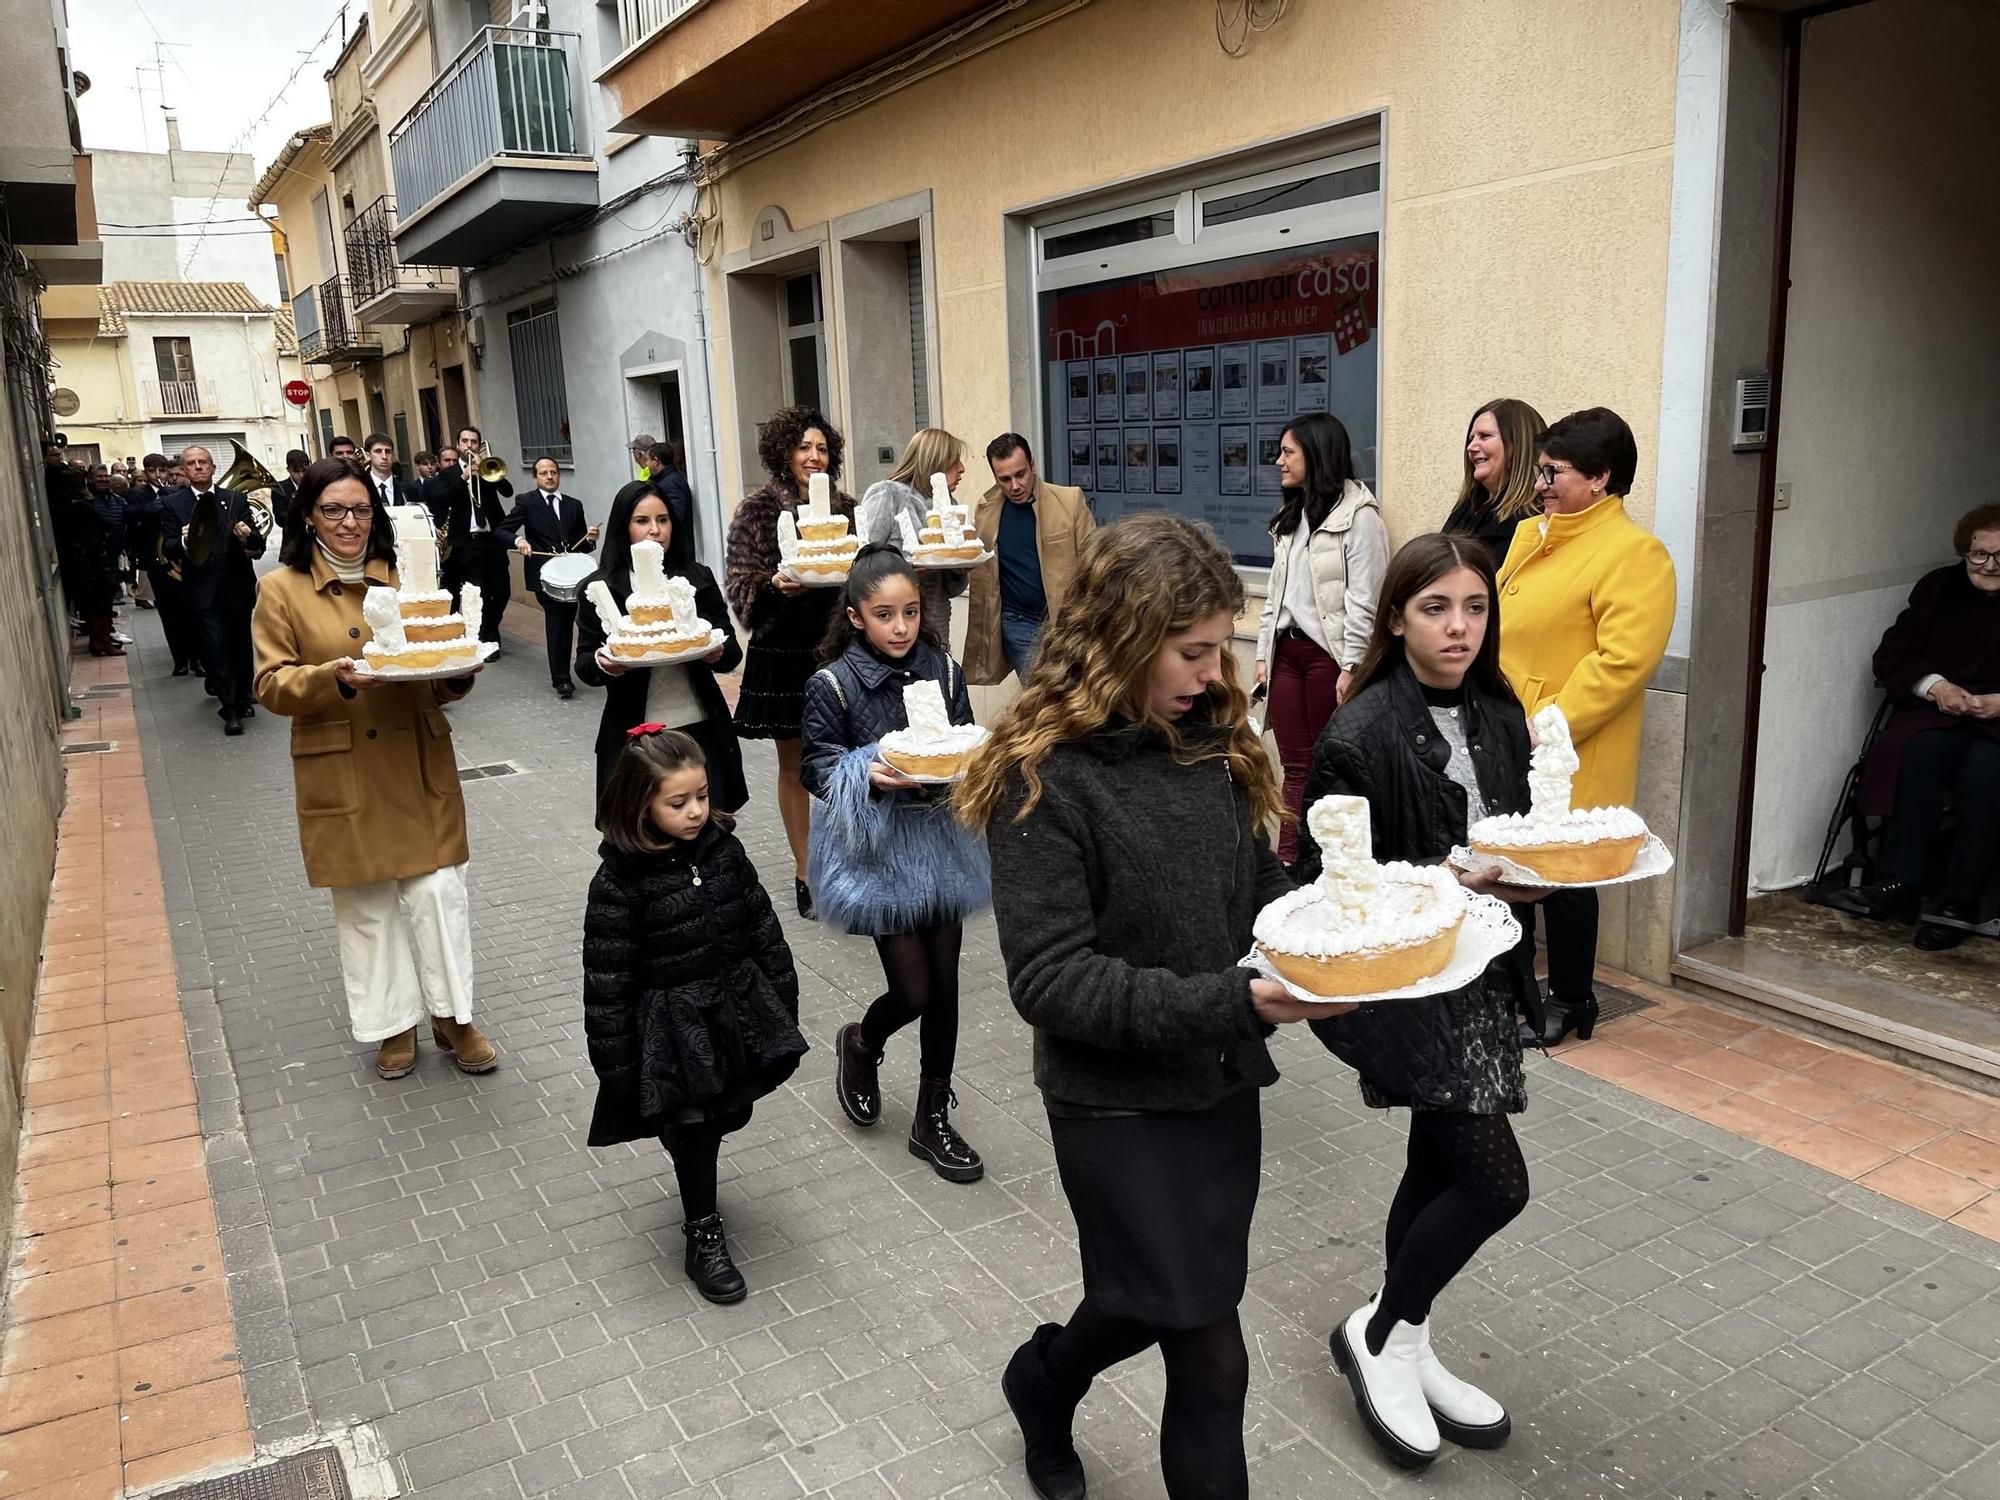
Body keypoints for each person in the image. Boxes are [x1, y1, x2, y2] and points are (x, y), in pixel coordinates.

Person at [958, 511, 1329, 1500]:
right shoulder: (1041, 778)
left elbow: (1254, 900)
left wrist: (1350, 930)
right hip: (1111, 1106)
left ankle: (1043, 1378)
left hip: (1212, 1089)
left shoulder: (1206, 742)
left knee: (1149, 1303)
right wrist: (1237, 1001)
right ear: (1121, 637)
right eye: (1191, 650)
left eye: (1221, 649)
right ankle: (1045, 1382)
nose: (1214, 675)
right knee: (1210, 1351)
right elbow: (1049, 980)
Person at [1296, 534, 1544, 1469]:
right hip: (1404, 983)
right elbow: (1326, 881)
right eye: (1436, 607)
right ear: (1396, 615)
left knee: (1436, 1168)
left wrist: (1535, 875)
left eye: (1475, 607)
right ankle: (1379, 1331)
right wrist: (1452, 876)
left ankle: (1407, 1339)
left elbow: (1521, 836)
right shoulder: (1358, 735)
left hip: (1483, 976)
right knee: (1494, 1183)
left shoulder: (1498, 713)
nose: (1459, 627)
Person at [251, 458, 500, 1079]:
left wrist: (455, 680)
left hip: (416, 754)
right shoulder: (280, 589)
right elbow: (270, 683)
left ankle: (454, 1016)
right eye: (334, 510)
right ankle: (393, 1026)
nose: (349, 523)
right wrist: (329, 678)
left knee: (439, 893)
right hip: (345, 765)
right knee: (366, 905)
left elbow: (428, 667)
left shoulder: (401, 576)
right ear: (308, 515)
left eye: (361, 510)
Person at [583, 727, 808, 1303]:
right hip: (672, 1030)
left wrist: (781, 1000)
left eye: (702, 797)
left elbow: (763, 929)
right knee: (695, 1127)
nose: (695, 812)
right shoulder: (618, 882)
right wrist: (618, 1067)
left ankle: (691, 1159)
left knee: (727, 1115)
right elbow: (607, 983)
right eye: (677, 802)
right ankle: (702, 1233)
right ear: (640, 804)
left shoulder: (724, 850)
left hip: (734, 1010)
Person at [802, 544, 991, 1182]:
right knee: (913, 990)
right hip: (880, 850)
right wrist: (870, 776)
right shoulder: (833, 682)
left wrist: (968, 765)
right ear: (856, 617)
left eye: (910, 612)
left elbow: (963, 735)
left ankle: (932, 1114)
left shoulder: (942, 668)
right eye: (885, 615)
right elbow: (817, 765)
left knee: (946, 988)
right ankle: (862, 1042)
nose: (902, 627)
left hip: (941, 841)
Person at [1497, 407, 1675, 1045]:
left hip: (1567, 744)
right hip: (1507, 730)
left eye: (1554, 471)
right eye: (1540, 469)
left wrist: (1548, 725)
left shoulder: (1634, 553)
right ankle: (1519, 990)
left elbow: (1623, 660)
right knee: (1515, 869)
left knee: (1566, 879)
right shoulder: (1533, 536)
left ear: (1601, 478)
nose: (1541, 482)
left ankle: (1573, 999)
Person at [724, 405, 856, 919]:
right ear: (785, 452)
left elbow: (861, 571)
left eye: (822, 448)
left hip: (839, 648)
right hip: (783, 650)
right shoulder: (758, 509)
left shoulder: (843, 506)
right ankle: (805, 869)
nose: (814, 456)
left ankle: (846, 859)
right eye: (805, 447)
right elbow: (741, 585)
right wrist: (774, 586)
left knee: (845, 759)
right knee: (795, 763)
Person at [1854, 502, 2000, 949]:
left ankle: (1959, 902)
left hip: (1998, 724)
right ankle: (1901, 884)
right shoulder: (1938, 588)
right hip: (1938, 713)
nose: (1989, 565)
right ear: (1965, 552)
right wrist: (1936, 688)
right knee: (1918, 753)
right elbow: (1892, 654)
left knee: (1986, 769)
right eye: (1979, 554)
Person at [1253, 411, 1390, 862]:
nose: (1279, 461)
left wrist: (1353, 666)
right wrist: (1262, 654)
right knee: (1295, 766)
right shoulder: (1290, 516)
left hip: (1328, 659)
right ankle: (1289, 862)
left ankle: (1330, 864)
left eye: (1288, 452)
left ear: (1316, 454)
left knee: (1334, 768)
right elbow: (1275, 595)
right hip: (1287, 656)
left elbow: (1366, 601)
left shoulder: (1360, 517)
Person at [575, 481, 741, 798]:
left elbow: (730, 650)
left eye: (663, 520)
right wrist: (607, 665)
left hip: (700, 723)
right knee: (641, 828)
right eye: (642, 521)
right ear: (623, 528)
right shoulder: (601, 587)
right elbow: (584, 663)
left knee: (706, 822)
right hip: (635, 731)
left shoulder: (695, 578)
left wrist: (715, 652)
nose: (655, 530)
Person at [963, 434, 1095, 684]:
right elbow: (978, 564)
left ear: (1033, 465)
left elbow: (1094, 563)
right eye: (1004, 479)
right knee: (1041, 695)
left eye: (1020, 474)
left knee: (1075, 692)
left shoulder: (1069, 501)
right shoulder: (987, 510)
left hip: (1065, 622)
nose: (1014, 486)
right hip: (1018, 622)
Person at [161, 445, 266, 734]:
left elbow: (258, 545)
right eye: (191, 463)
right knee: (215, 647)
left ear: (213, 468)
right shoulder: (173, 504)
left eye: (203, 462)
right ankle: (230, 708)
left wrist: (248, 537)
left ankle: (244, 693)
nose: (198, 467)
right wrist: (184, 540)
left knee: (240, 644)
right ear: (183, 470)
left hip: (236, 586)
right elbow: (167, 547)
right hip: (201, 589)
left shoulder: (235, 499)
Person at [856, 427, 972, 643]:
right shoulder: (888, 494)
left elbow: (951, 586)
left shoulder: (949, 505)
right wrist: (902, 569)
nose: (962, 469)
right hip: (890, 625)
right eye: (954, 460)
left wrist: (961, 564)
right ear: (935, 462)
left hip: (935, 625)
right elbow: (863, 561)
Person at [507, 455, 600, 698]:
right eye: (544, 473)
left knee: (570, 624)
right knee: (557, 625)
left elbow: (580, 544)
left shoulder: (573, 505)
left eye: (553, 472)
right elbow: (503, 530)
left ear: (559, 475)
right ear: (535, 477)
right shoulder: (526, 502)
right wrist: (519, 540)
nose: (550, 476)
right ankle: (561, 679)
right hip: (545, 576)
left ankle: (575, 670)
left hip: (571, 578)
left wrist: (589, 540)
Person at [428, 426, 513, 645]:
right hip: (467, 543)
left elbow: (507, 491)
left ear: (479, 445)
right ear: (458, 445)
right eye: (465, 441)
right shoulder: (448, 474)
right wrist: (464, 477)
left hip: (493, 540)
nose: (469, 446)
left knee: (502, 591)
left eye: (473, 442)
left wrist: (486, 471)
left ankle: (490, 627)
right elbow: (441, 500)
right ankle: (487, 637)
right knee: (481, 593)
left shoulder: (487, 470)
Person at [1442, 399, 1547, 565]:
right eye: (1471, 438)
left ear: (1518, 446)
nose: (1471, 447)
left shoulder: (1533, 522)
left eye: (1484, 436)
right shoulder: (1467, 509)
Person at [54, 477, 123, 656]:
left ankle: (97, 641)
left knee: (92, 605)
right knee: (100, 605)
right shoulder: (81, 506)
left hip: (79, 563)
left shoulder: (61, 507)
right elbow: (106, 525)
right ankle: (103, 641)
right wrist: (91, 503)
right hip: (93, 563)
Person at [646, 441, 695, 539]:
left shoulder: (671, 483)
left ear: (656, 462)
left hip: (677, 545)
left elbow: (676, 515)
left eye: (648, 460)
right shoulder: (665, 480)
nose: (647, 464)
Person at [360, 435, 414, 510]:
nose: (384, 456)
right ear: (368, 455)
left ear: (393, 455)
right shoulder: (360, 488)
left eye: (388, 451)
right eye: (378, 451)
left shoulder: (408, 489)